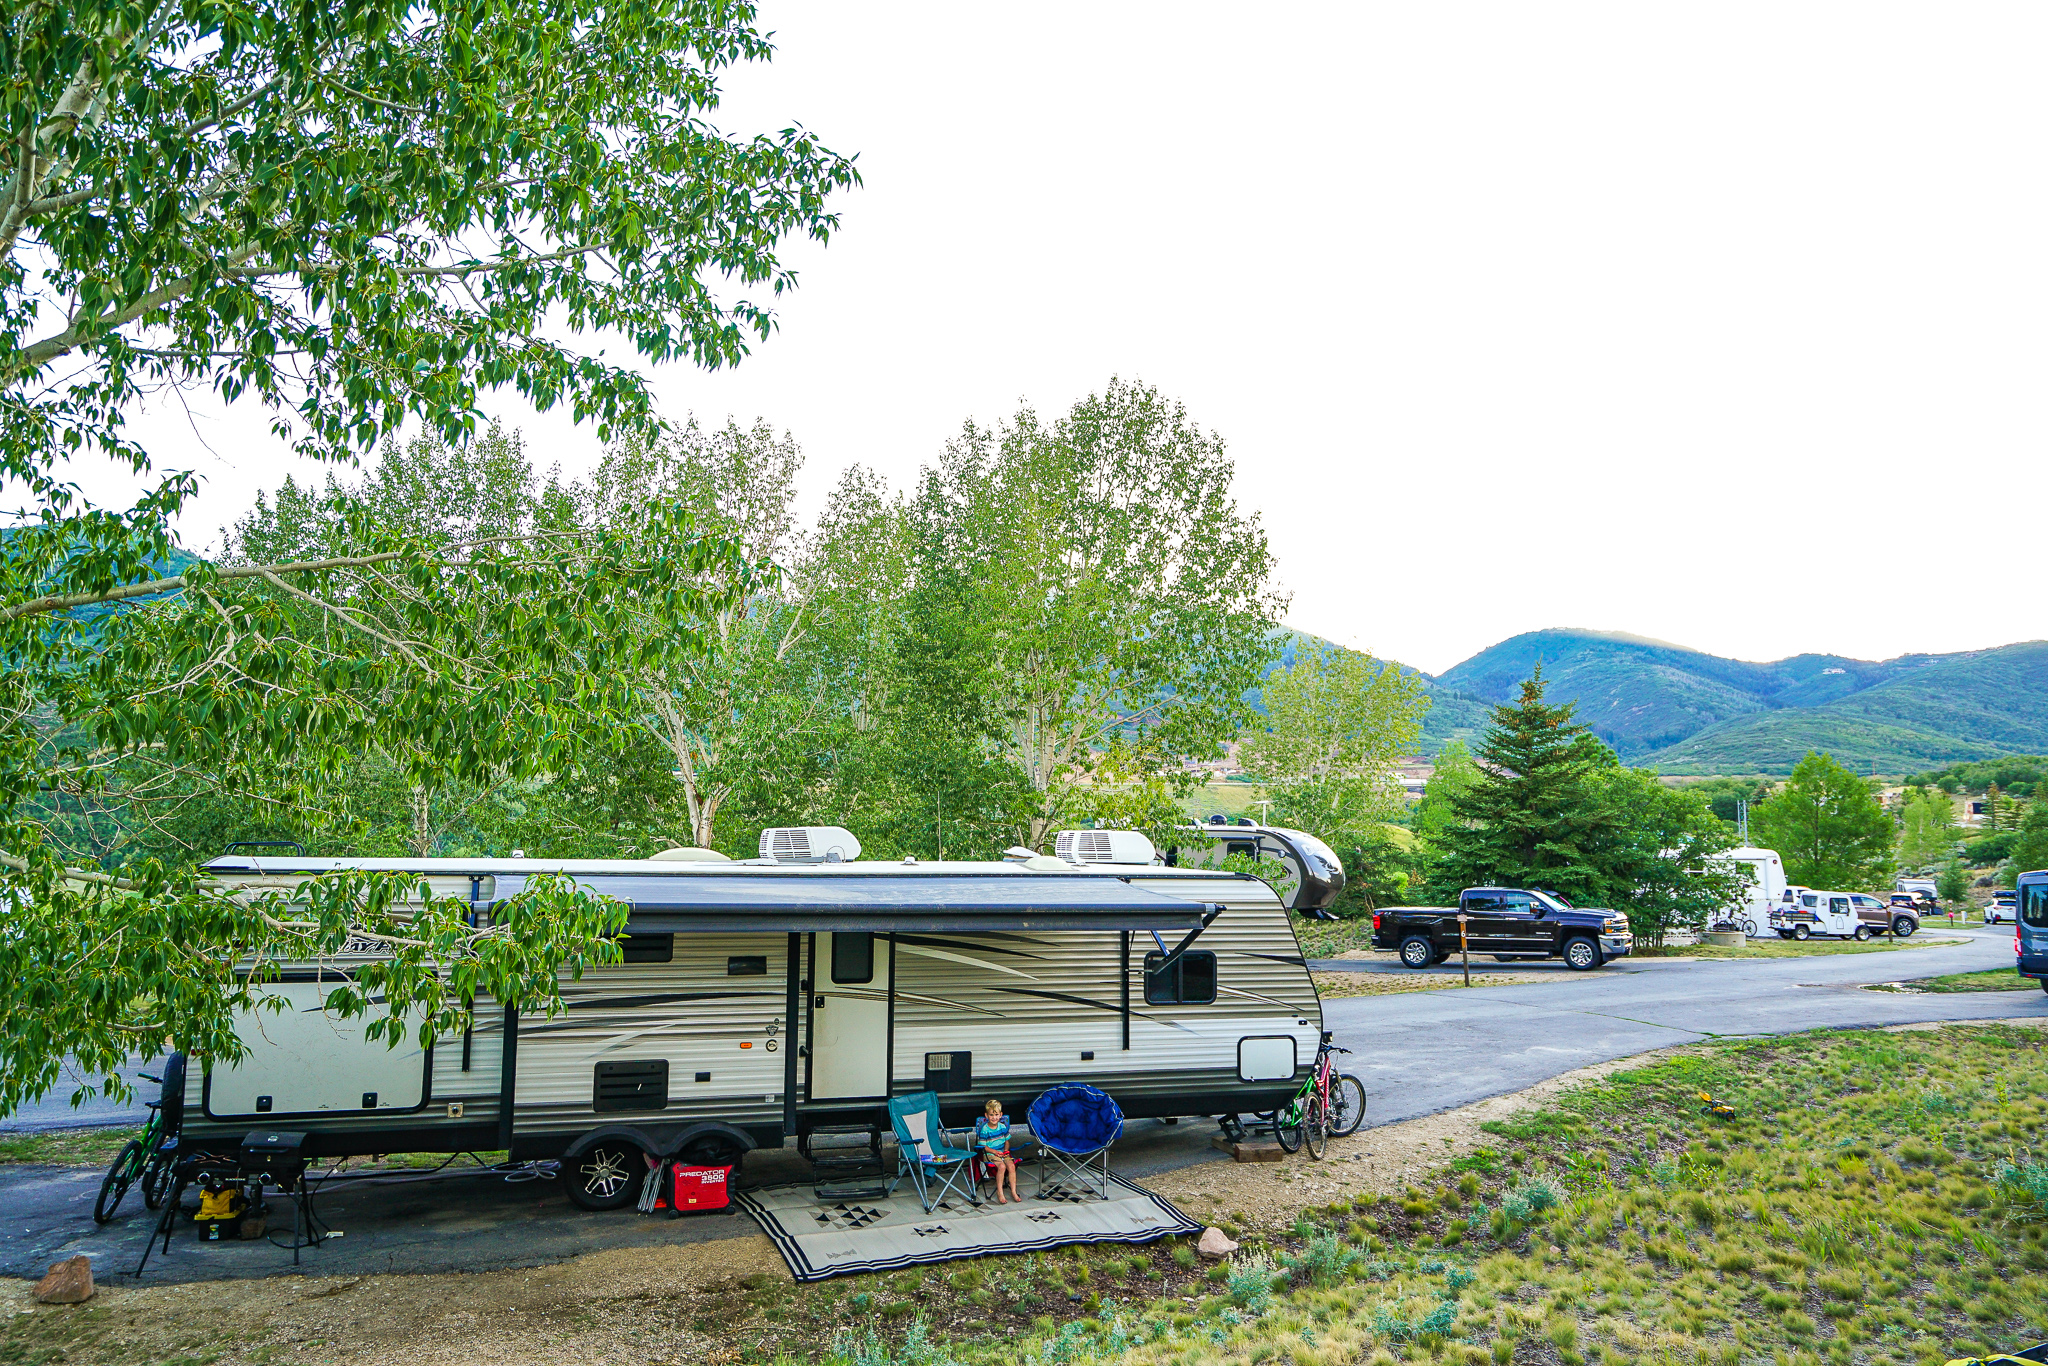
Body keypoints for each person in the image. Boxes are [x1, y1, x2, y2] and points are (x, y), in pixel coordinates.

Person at [974, 1098, 1020, 1204]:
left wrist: (1006, 1150)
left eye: (996, 1115)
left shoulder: (1002, 1127)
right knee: (1002, 1166)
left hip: (1002, 1152)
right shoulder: (985, 1129)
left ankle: (1013, 1191)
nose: (994, 1117)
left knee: (1011, 1166)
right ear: (986, 1116)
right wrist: (995, 1152)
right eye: (991, 1115)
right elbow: (983, 1146)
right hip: (990, 1154)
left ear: (1000, 1115)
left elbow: (1007, 1141)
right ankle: (1000, 1192)